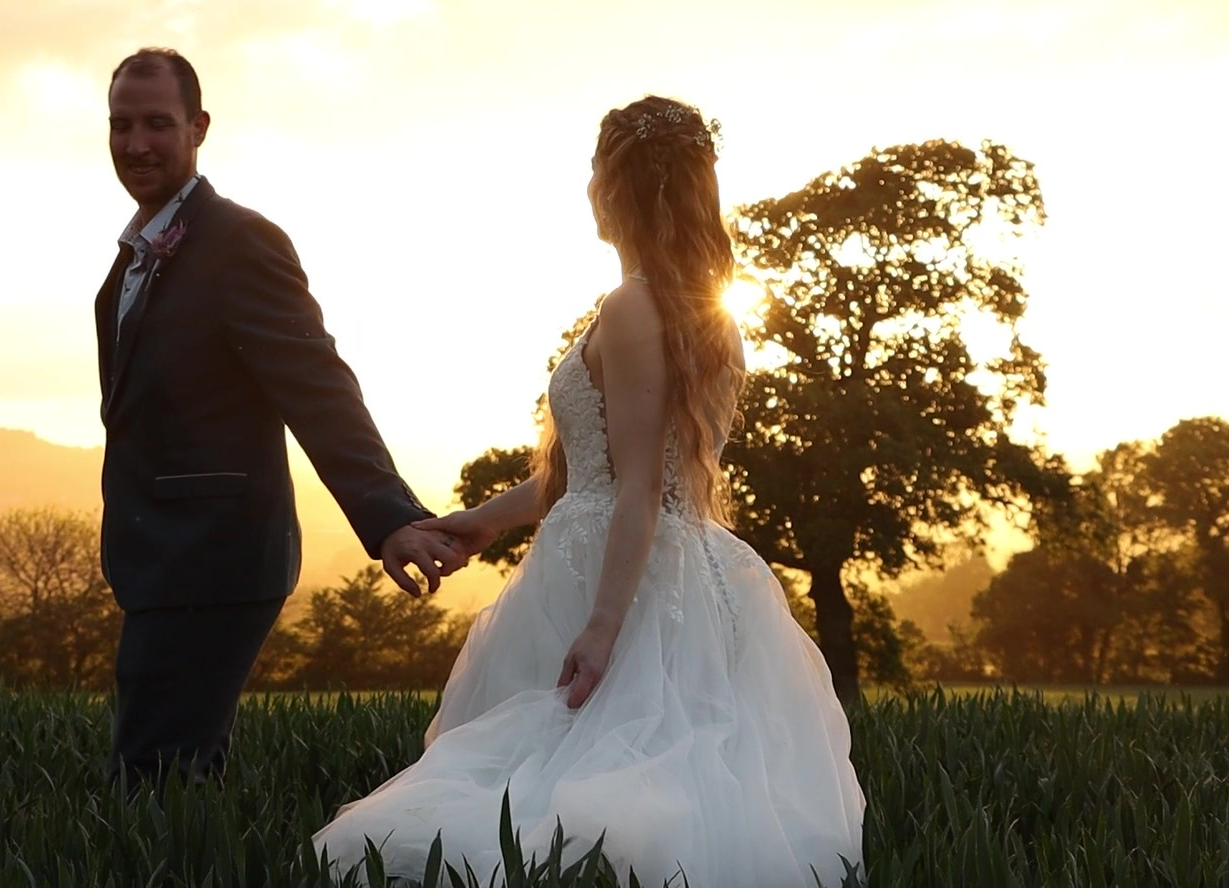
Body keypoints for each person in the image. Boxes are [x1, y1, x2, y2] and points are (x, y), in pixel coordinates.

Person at [311, 96, 867, 886]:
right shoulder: (702, 315)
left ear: (613, 187)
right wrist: (484, 523)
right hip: (663, 560)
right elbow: (585, 472)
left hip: (614, 575)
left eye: (594, 172)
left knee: (572, 784)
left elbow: (638, 486)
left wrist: (604, 628)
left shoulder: (633, 306)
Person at [94, 47, 464, 790]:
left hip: (214, 553)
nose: (135, 143)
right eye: (121, 124)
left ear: (198, 126)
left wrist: (388, 515)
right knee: (169, 777)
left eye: (157, 124)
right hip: (160, 556)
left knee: (154, 778)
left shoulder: (239, 242)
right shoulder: (136, 254)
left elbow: (316, 384)